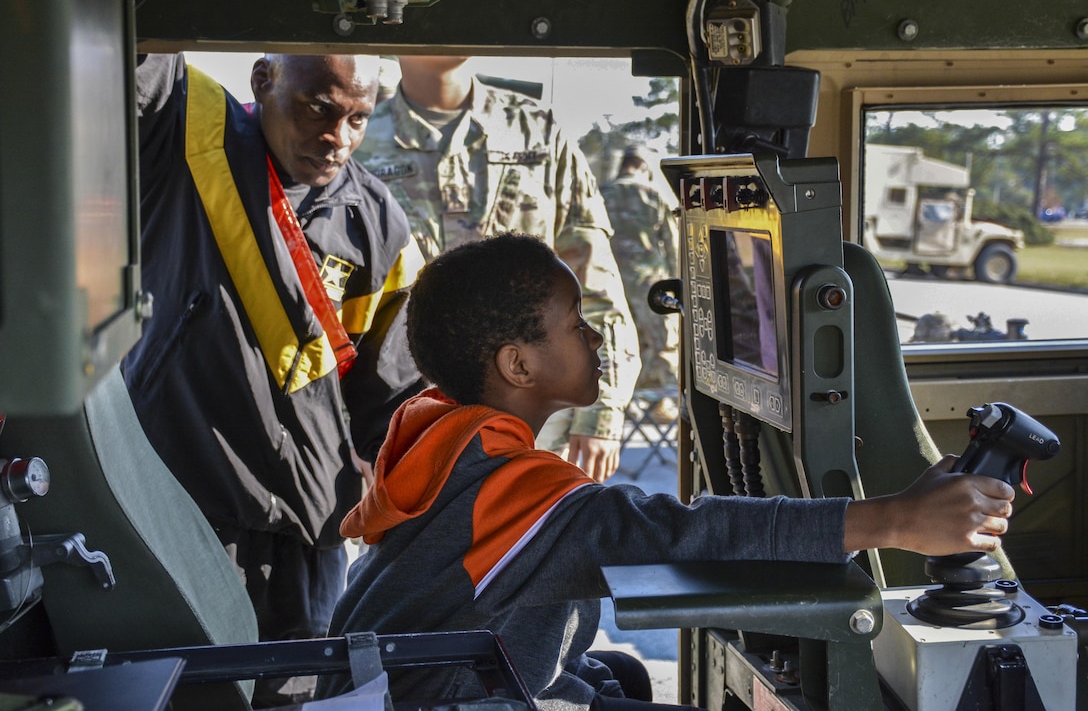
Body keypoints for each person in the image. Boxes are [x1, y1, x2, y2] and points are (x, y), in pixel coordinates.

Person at [315, 233, 1016, 711]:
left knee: (618, 672)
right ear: (517, 365)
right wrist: (896, 520)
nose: (594, 335)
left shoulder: (445, 438)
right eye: (574, 321)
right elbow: (679, 534)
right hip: (445, 696)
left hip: (414, 681)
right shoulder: (511, 493)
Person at [123, 52, 424, 704]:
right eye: (320, 108)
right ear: (264, 80)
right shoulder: (188, 126)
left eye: (358, 118)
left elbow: (396, 399)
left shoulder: (377, 221)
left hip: (305, 532)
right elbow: (126, 45)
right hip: (175, 506)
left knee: (292, 697)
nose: (337, 137)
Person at [354, 55, 640, 482]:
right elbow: (342, 300)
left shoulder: (536, 130)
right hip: (408, 418)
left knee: (536, 539)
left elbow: (593, 277)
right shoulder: (359, 138)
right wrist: (358, 428)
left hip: (537, 415)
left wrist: (603, 411)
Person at [601, 145, 681, 423]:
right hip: (650, 283)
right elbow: (672, 243)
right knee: (663, 343)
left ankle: (624, 402)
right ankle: (668, 401)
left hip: (612, 282)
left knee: (619, 344)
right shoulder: (653, 193)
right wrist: (677, 282)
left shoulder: (602, 193)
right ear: (644, 166)